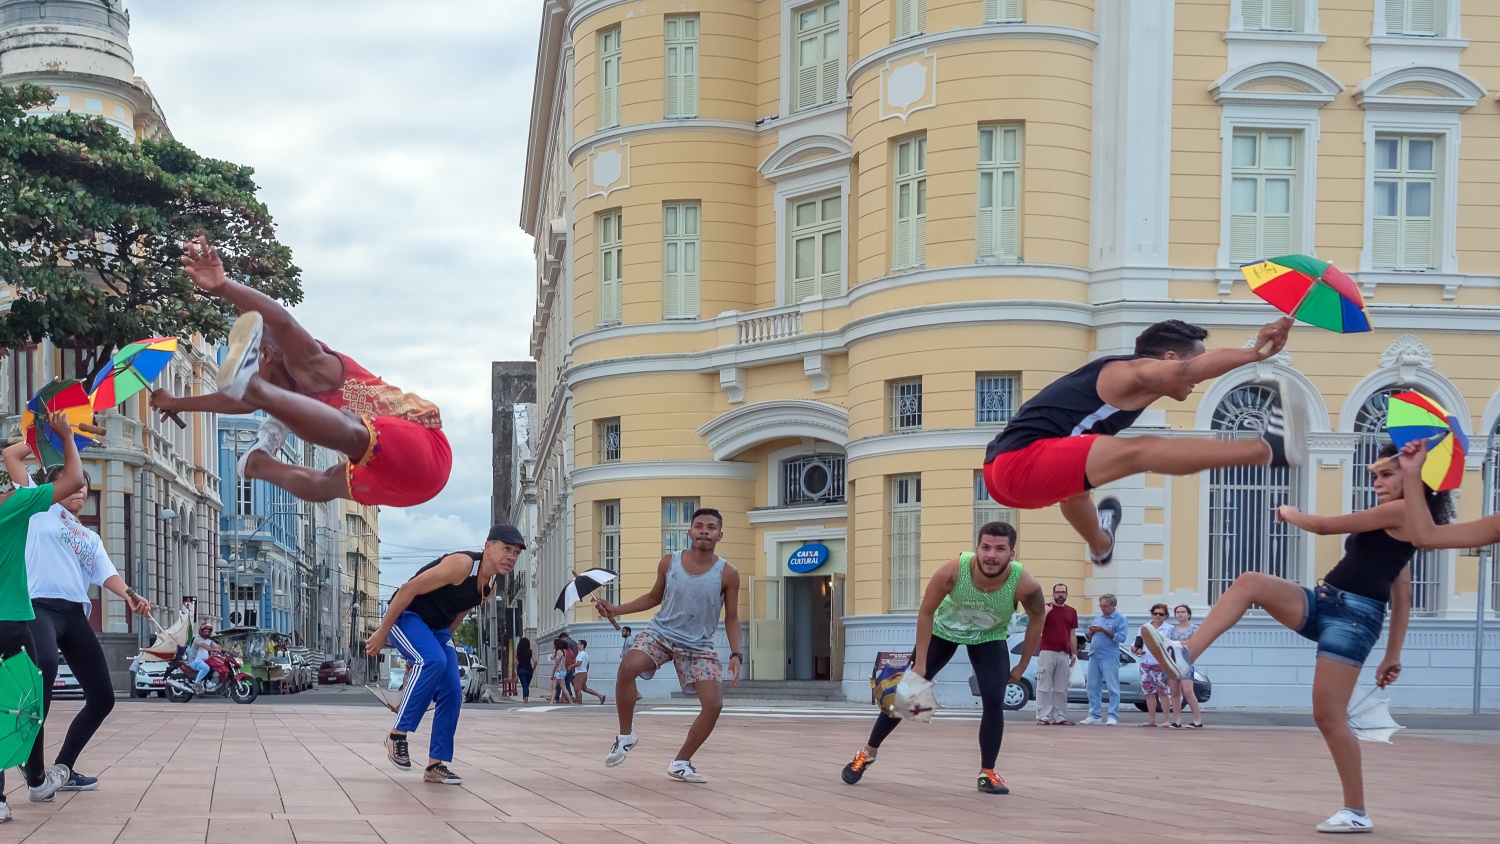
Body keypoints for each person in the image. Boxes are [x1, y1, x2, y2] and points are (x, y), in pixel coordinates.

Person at [1144, 444, 1449, 834]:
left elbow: (1325, 526)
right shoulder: (1399, 521)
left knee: (1328, 716)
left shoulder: (1404, 511)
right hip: (1325, 602)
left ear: (1414, 476)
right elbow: (1402, 591)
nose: (1377, 482)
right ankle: (1185, 654)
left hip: (1353, 620)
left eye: (1387, 474)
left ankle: (1356, 810)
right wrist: (1393, 655)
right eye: (1375, 475)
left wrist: (1290, 513)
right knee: (1250, 583)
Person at [152, 236, 451, 508]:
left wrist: (223, 286)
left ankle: (258, 417)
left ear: (267, 354)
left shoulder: (310, 365)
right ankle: (258, 464)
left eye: (251, 358)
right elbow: (233, 400)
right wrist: (175, 403)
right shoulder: (288, 396)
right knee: (324, 482)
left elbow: (283, 322)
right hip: (396, 484)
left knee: (350, 432)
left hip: (427, 453)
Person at [983, 318, 1306, 565]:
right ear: (1168, 358)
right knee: (1141, 450)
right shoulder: (1129, 373)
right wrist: (1254, 352)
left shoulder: (1135, 388)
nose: (1196, 381)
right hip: (1015, 463)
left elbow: (1188, 366)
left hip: (1007, 475)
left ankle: (1100, 544)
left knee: (1077, 491)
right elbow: (1185, 371)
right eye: (1194, 363)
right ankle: (1264, 449)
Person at [841, 522, 1045, 795]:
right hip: (943, 631)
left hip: (989, 637)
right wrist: (922, 662)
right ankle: (867, 752)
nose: (991, 555)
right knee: (906, 695)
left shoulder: (1024, 584)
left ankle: (987, 773)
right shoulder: (952, 572)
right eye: (985, 547)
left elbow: (1037, 618)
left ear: (1012, 554)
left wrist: (1022, 664)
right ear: (977, 548)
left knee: (995, 701)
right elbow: (926, 612)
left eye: (1000, 549)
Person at [2, 443, 153, 792]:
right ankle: (34, 771)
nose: (81, 489)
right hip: (38, 606)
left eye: (86, 486)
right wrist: (45, 437)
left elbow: (105, 572)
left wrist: (130, 595)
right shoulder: (36, 508)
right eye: (75, 483)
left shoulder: (90, 536)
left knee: (103, 697)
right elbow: (12, 458)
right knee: (42, 674)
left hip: (73, 613)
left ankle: (62, 769)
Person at [365, 525, 523, 785]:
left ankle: (435, 765)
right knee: (432, 660)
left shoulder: (490, 585)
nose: (511, 557)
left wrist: (437, 643)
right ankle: (396, 736)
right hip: (406, 617)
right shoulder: (462, 565)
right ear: (488, 547)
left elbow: (459, 613)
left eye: (516, 553)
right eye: (506, 549)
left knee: (451, 688)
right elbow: (407, 589)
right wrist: (383, 632)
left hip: (438, 629)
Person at [594, 508, 742, 784]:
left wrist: (736, 653)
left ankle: (681, 762)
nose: (704, 531)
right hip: (661, 633)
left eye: (711, 528)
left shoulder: (728, 573)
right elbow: (653, 597)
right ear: (689, 532)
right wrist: (616, 608)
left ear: (720, 535)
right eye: (698, 526)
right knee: (628, 666)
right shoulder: (669, 562)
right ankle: (626, 736)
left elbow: (732, 617)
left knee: (714, 705)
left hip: (698, 644)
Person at [0, 411, 87, 818]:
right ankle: (32, 780)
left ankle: (8, 792)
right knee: (20, 704)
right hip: (11, 621)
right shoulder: (15, 507)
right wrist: (62, 437)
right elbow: (71, 480)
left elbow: (9, 455)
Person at [1080, 594, 1127, 725]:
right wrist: (1091, 632)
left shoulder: (1120, 619)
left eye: (1105, 606)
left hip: (1109, 656)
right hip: (1094, 655)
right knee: (1092, 686)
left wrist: (1103, 630)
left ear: (1113, 606)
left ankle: (1113, 715)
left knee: (1112, 687)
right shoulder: (1098, 618)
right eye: (1101, 606)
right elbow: (1089, 637)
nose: (1102, 609)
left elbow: (1121, 637)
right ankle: (1094, 715)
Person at [1035, 582, 1077, 726]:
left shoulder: (1071, 611)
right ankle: (1044, 716)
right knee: (1044, 685)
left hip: (1064, 653)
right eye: (1058, 592)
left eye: (1063, 592)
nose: (1060, 595)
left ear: (1067, 594)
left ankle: (1059, 715)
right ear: (1053, 594)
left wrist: (1074, 653)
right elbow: (1037, 625)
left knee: (1061, 687)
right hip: (1047, 651)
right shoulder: (1046, 608)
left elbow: (1072, 634)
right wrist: (1045, 613)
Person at [1131, 603, 1172, 728]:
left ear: (1166, 616)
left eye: (1161, 614)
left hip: (1161, 662)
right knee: (1148, 692)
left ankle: (1166, 719)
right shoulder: (1145, 628)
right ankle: (1152, 719)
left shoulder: (1169, 629)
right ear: (1151, 614)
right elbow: (1135, 644)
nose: (1158, 616)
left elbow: (1172, 646)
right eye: (1155, 613)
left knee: (1163, 691)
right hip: (1145, 662)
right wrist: (1136, 649)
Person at [1162, 604, 1201, 728]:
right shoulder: (1171, 630)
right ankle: (1177, 720)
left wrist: (1177, 642)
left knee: (1188, 691)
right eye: (1178, 612)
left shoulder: (1195, 629)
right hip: (1173, 662)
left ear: (1189, 615)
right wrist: (1178, 643)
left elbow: (1194, 643)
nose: (1180, 614)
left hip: (1186, 662)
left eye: (1183, 611)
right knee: (1174, 692)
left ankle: (1197, 720)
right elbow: (1166, 643)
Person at [188, 624, 220, 691]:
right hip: (195, 661)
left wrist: (224, 650)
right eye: (205, 631)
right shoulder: (197, 639)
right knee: (206, 668)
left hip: (204, 661)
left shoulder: (209, 640)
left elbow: (216, 646)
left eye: (208, 631)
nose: (207, 633)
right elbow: (204, 645)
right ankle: (196, 684)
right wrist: (212, 649)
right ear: (201, 631)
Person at [550, 638, 575, 704]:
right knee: (554, 686)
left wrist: (553, 672)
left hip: (558, 671)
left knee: (562, 687)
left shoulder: (558, 651)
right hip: (562, 671)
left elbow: (557, 663)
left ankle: (570, 701)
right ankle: (551, 701)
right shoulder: (563, 652)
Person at [515, 637, 536, 703]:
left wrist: (516, 670)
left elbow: (516, 661)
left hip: (521, 669)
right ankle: (525, 698)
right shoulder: (530, 651)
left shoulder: (518, 651)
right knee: (526, 685)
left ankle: (525, 700)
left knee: (524, 685)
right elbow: (535, 661)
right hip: (529, 670)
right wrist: (533, 668)